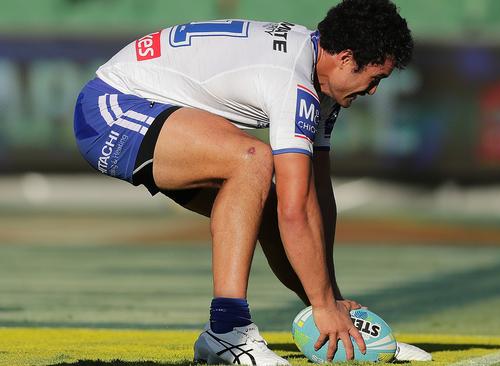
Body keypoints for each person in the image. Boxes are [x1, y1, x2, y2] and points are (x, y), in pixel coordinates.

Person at [73, 0, 429, 364]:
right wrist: (323, 303)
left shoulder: (318, 77)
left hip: (154, 108)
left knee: (268, 201)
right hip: (110, 107)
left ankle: (283, 330)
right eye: (375, 78)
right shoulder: (294, 81)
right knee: (253, 161)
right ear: (345, 58)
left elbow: (317, 195)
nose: (373, 91)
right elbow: (298, 211)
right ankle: (229, 330)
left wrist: (329, 301)